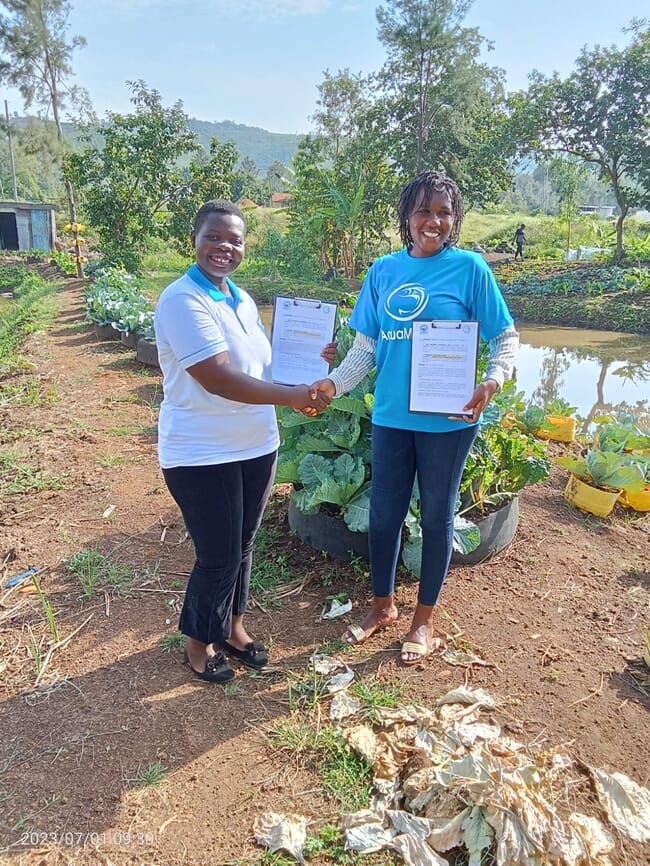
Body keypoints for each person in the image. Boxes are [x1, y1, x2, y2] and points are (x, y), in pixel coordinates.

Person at [310, 171, 519, 665]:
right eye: (424, 211)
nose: (434, 221)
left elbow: (504, 338)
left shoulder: (470, 269)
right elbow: (365, 350)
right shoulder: (382, 272)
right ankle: (382, 606)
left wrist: (492, 381)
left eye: (444, 212)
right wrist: (332, 384)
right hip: (391, 418)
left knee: (437, 515)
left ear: (455, 218)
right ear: (407, 216)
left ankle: (423, 619)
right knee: (384, 514)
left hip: (449, 420)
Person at [154, 199, 334, 683]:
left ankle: (233, 628)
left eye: (234, 240)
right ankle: (198, 643)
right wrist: (296, 397)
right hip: (200, 450)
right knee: (217, 554)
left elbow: (261, 368)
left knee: (244, 545)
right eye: (214, 237)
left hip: (256, 442)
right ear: (194, 240)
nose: (224, 248)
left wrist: (315, 365)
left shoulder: (241, 299)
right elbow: (220, 379)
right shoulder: (181, 301)